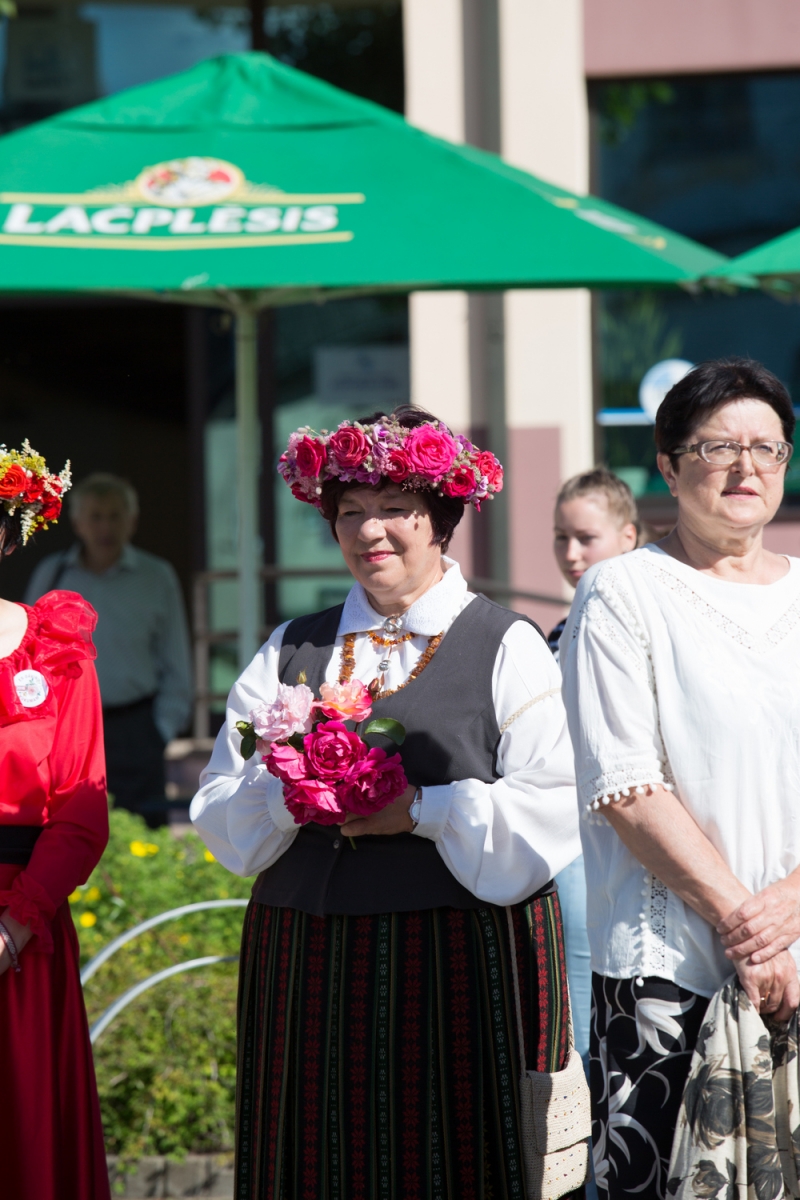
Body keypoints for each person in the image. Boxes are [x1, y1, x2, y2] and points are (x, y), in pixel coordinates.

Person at [191, 407, 583, 1199]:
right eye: (350, 514)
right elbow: (220, 798)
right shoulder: (291, 646)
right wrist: (287, 793)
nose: (370, 532)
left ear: (439, 518)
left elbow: (554, 801)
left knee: (447, 1161)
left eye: (393, 510)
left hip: (451, 960)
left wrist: (424, 811)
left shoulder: (503, 643)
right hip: (304, 953)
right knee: (309, 1160)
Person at [560, 358, 800, 1200]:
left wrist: (787, 916)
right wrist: (750, 930)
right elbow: (626, 788)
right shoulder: (622, 593)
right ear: (666, 464)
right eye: (717, 447)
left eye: (767, 448)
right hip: (673, 973)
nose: (746, 468)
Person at [0, 443, 110, 1200]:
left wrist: (16, 923)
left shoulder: (57, 647)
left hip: (18, 930)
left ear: (8, 532)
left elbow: (81, 805)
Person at [26, 472, 192, 828]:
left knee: (142, 840)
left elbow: (176, 658)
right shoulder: (53, 573)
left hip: (136, 726)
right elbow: (30, 654)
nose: (106, 526)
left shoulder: (156, 575)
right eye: (96, 516)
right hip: (68, 725)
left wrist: (160, 730)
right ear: (76, 522)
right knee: (68, 832)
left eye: (115, 516)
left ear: (131, 522)